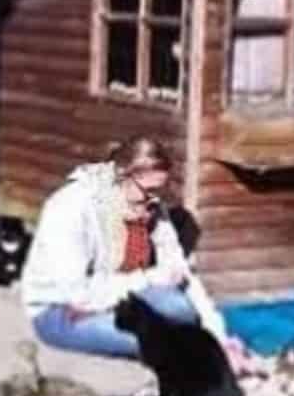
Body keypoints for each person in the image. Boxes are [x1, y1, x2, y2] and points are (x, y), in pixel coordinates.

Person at [20, 135, 226, 359]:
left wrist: (220, 338)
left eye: (159, 191)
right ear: (121, 177)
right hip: (62, 309)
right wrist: (149, 278)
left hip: (123, 295)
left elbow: (181, 273)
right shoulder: (70, 208)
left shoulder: (150, 203)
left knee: (182, 310)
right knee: (167, 342)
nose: (154, 200)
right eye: (148, 190)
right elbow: (78, 295)